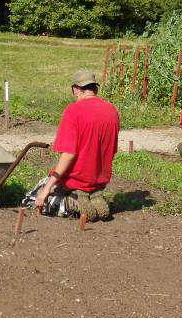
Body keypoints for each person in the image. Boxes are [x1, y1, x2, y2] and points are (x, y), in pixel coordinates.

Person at [25, 70, 119, 221]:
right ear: (95, 89)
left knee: (31, 200)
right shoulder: (112, 111)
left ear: (75, 89)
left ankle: (72, 201)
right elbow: (111, 149)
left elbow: (69, 154)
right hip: (98, 181)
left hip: (75, 180)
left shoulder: (73, 111)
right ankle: (93, 197)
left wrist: (46, 189)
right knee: (88, 191)